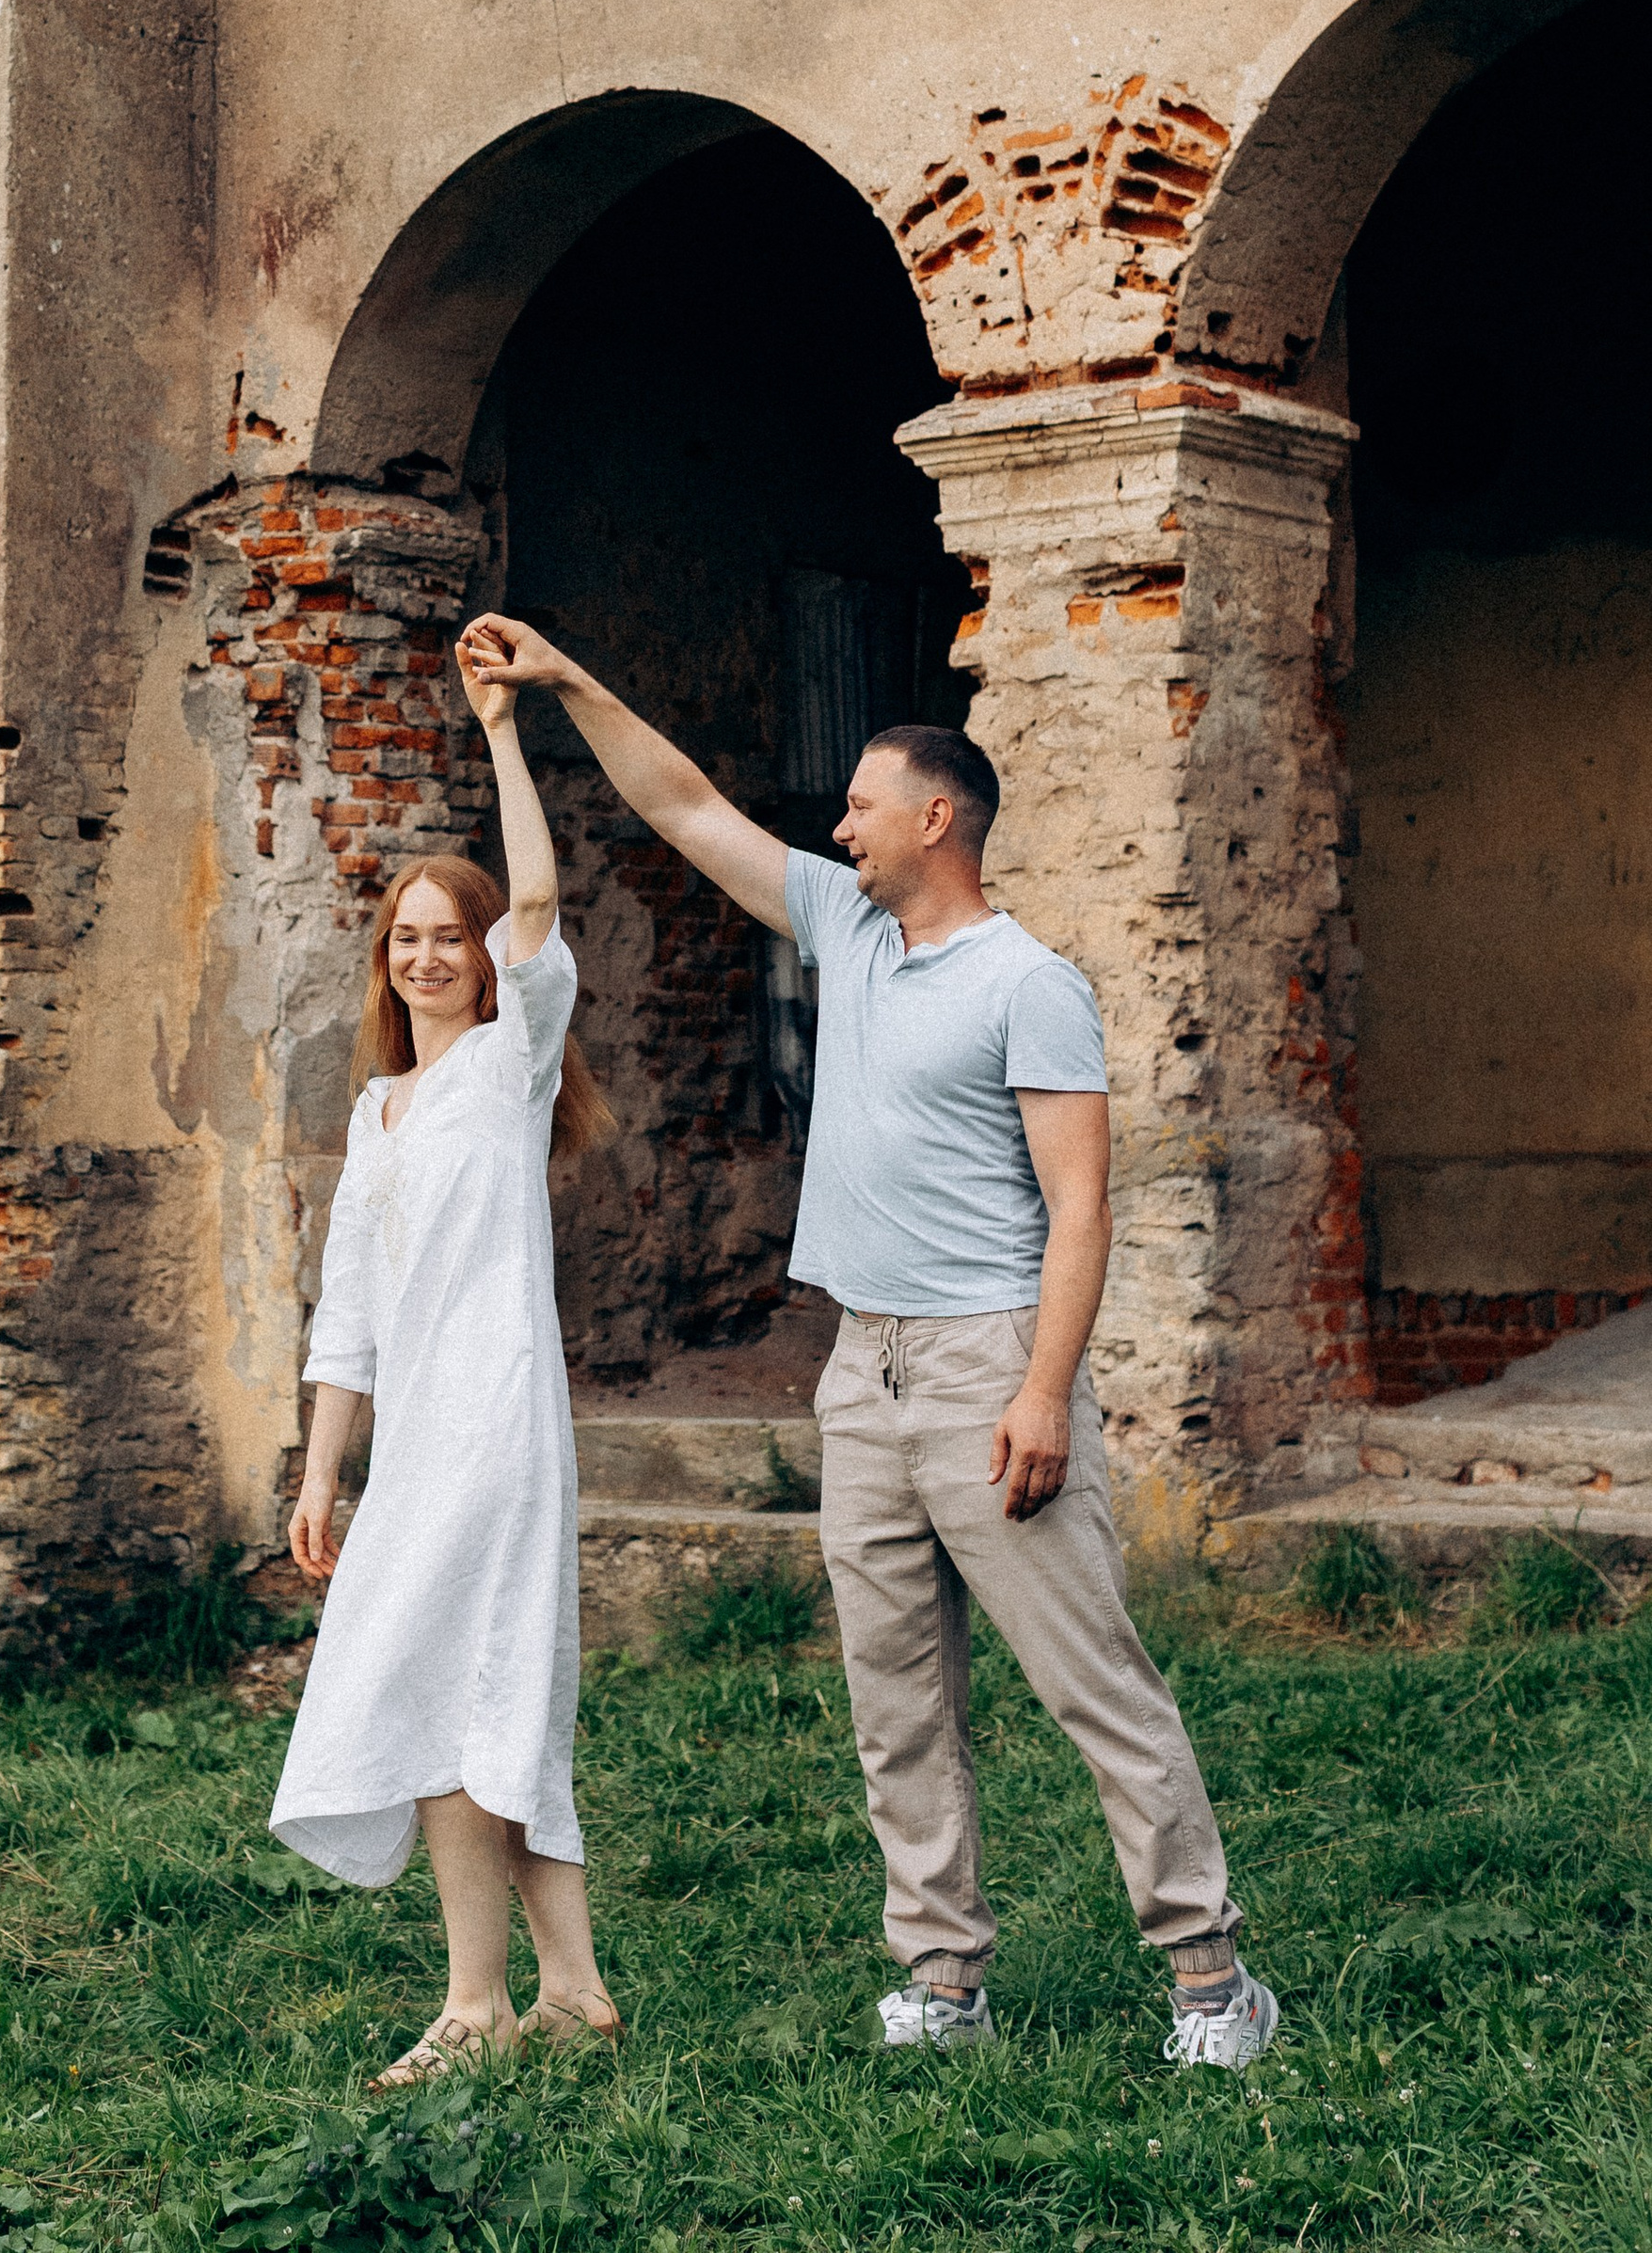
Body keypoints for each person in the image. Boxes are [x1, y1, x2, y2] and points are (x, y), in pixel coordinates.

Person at [456, 613, 1279, 2072]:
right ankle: (943, 1979)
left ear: (935, 818)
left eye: (860, 805)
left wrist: (1042, 1391)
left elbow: (1082, 1210)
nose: (838, 825)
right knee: (895, 1703)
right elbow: (684, 805)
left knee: (1093, 1681)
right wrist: (570, 680)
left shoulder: (1032, 982)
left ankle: (1210, 1979)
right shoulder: (849, 925)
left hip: (986, 1365)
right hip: (865, 1370)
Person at [272, 636, 623, 2085]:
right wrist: (318, 1474)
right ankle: (572, 1991)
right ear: (384, 957)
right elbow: (347, 1312)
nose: (429, 953)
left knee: (441, 1687)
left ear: (484, 957)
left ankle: (477, 2008)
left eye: (450, 933)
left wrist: (500, 730)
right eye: (404, 934)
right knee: (481, 1696)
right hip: (416, 1438)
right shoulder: (379, 1111)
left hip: (497, 1426)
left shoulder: (506, 1062)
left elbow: (537, 894)